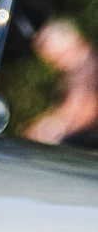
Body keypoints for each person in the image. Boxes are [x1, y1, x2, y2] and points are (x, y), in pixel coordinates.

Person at [27, 18, 98, 147]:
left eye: (60, 57)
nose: (59, 65)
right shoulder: (83, 66)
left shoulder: (89, 66)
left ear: (77, 43)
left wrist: (51, 129)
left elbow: (86, 110)